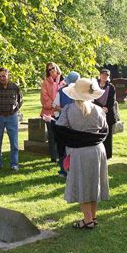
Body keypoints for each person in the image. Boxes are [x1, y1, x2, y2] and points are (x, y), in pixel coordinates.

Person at [43, 78, 109, 229]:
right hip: (98, 150)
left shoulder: (68, 109)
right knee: (93, 183)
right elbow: (104, 130)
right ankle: (92, 217)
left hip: (80, 153)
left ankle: (88, 221)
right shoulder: (98, 110)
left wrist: (51, 121)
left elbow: (61, 129)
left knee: (83, 184)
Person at [0, 67, 23, 171]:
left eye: (4, 76)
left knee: (14, 142)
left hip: (12, 117)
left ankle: (14, 164)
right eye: (0, 76)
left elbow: (20, 100)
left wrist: (15, 110)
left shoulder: (15, 87)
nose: (2, 78)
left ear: (8, 75)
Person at [52, 71, 80, 177]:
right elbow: (55, 105)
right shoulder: (63, 91)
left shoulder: (78, 92)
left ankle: (68, 171)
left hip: (71, 123)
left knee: (67, 147)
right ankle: (65, 170)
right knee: (65, 147)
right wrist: (66, 110)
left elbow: (54, 105)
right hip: (68, 122)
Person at [40, 62, 64, 163]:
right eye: (49, 70)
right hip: (50, 112)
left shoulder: (64, 80)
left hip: (63, 112)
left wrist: (61, 108)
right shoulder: (45, 82)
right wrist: (55, 106)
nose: (52, 70)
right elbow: (44, 97)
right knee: (52, 136)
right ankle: (54, 157)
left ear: (56, 68)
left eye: (53, 68)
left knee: (62, 135)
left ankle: (62, 155)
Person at [94, 69, 117, 160]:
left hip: (108, 113)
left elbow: (112, 99)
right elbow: (92, 98)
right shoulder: (94, 85)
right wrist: (100, 107)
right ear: (100, 75)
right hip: (96, 112)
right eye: (103, 74)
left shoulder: (111, 87)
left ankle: (108, 154)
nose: (104, 76)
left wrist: (106, 108)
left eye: (106, 75)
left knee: (108, 134)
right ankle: (98, 153)